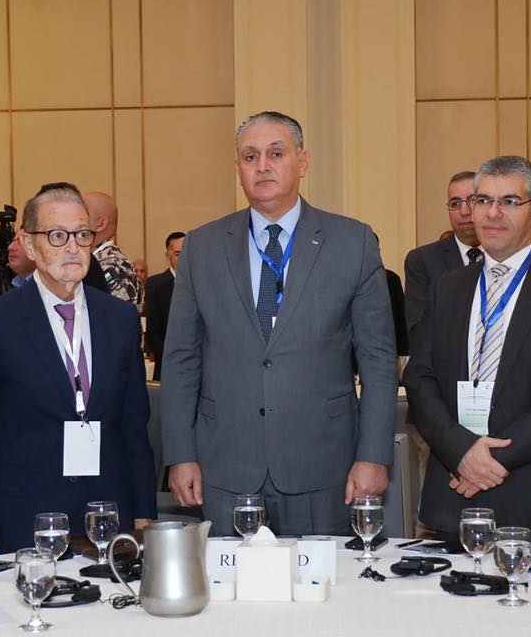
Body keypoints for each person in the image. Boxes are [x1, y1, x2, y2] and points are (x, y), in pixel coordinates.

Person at [160, 110, 397, 537]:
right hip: (225, 466)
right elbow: (180, 359)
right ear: (238, 168)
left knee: (321, 579)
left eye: (275, 153)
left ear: (302, 163)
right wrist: (180, 453)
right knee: (228, 580)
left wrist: (374, 455)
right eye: (250, 157)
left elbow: (378, 360)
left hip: (324, 466)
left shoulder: (352, 241)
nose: (262, 166)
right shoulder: (202, 246)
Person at [404, 156, 531, 553]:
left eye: (510, 201)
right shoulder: (447, 288)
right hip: (456, 496)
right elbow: (420, 378)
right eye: (482, 200)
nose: (492, 213)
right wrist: (462, 451)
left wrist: (491, 460)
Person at [0, 185, 156, 556]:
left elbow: (134, 423)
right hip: (26, 514)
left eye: (82, 235)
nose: (72, 247)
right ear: (29, 245)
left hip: (107, 513)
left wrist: (144, 511)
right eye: (56, 235)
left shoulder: (119, 318)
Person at [403, 171, 479, 338]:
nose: (464, 211)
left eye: (472, 200)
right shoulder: (423, 261)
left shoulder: (506, 255)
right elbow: (419, 333)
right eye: (455, 203)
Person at [80, 190, 142, 307]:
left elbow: (119, 315)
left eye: (82, 216)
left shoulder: (113, 266)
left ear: (100, 224)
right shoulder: (96, 261)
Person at [143, 230, 185, 381]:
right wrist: (171, 358)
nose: (184, 258)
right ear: (168, 255)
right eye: (178, 254)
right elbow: (152, 331)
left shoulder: (199, 283)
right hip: (167, 364)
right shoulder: (155, 285)